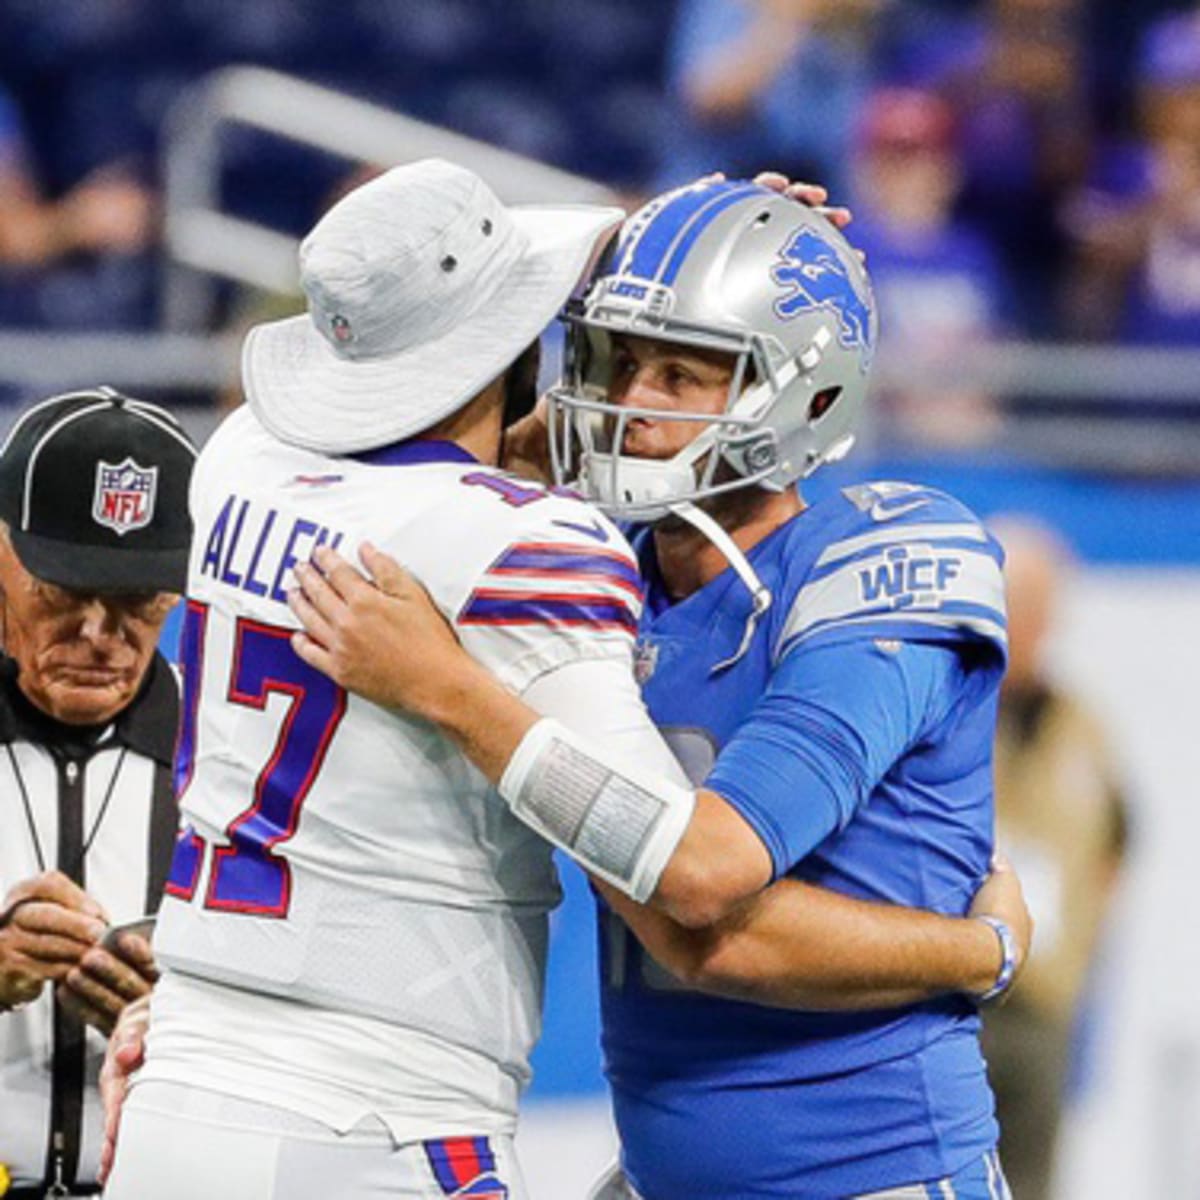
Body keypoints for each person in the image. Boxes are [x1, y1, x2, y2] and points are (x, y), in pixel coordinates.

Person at [100, 162, 1026, 1200]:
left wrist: (979, 951)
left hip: (874, 1172)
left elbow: (703, 911)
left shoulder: (882, 565)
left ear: (802, 390)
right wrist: (703, 243)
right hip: (654, 1171)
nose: (627, 403)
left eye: (681, 374)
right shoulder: (594, 560)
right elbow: (492, 464)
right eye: (613, 361)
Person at [0, 388, 193, 1197]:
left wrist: (185, 1024)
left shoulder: (232, 762)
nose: (97, 635)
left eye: (136, 601)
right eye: (63, 589)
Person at [980, 516, 1128, 1200]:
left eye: (1042, 609)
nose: (1034, 627)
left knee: (1034, 1183)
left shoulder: (1079, 724)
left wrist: (1077, 960)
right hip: (952, 997)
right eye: (1019, 608)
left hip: (1042, 1005)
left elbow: (1116, 842)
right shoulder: (945, 713)